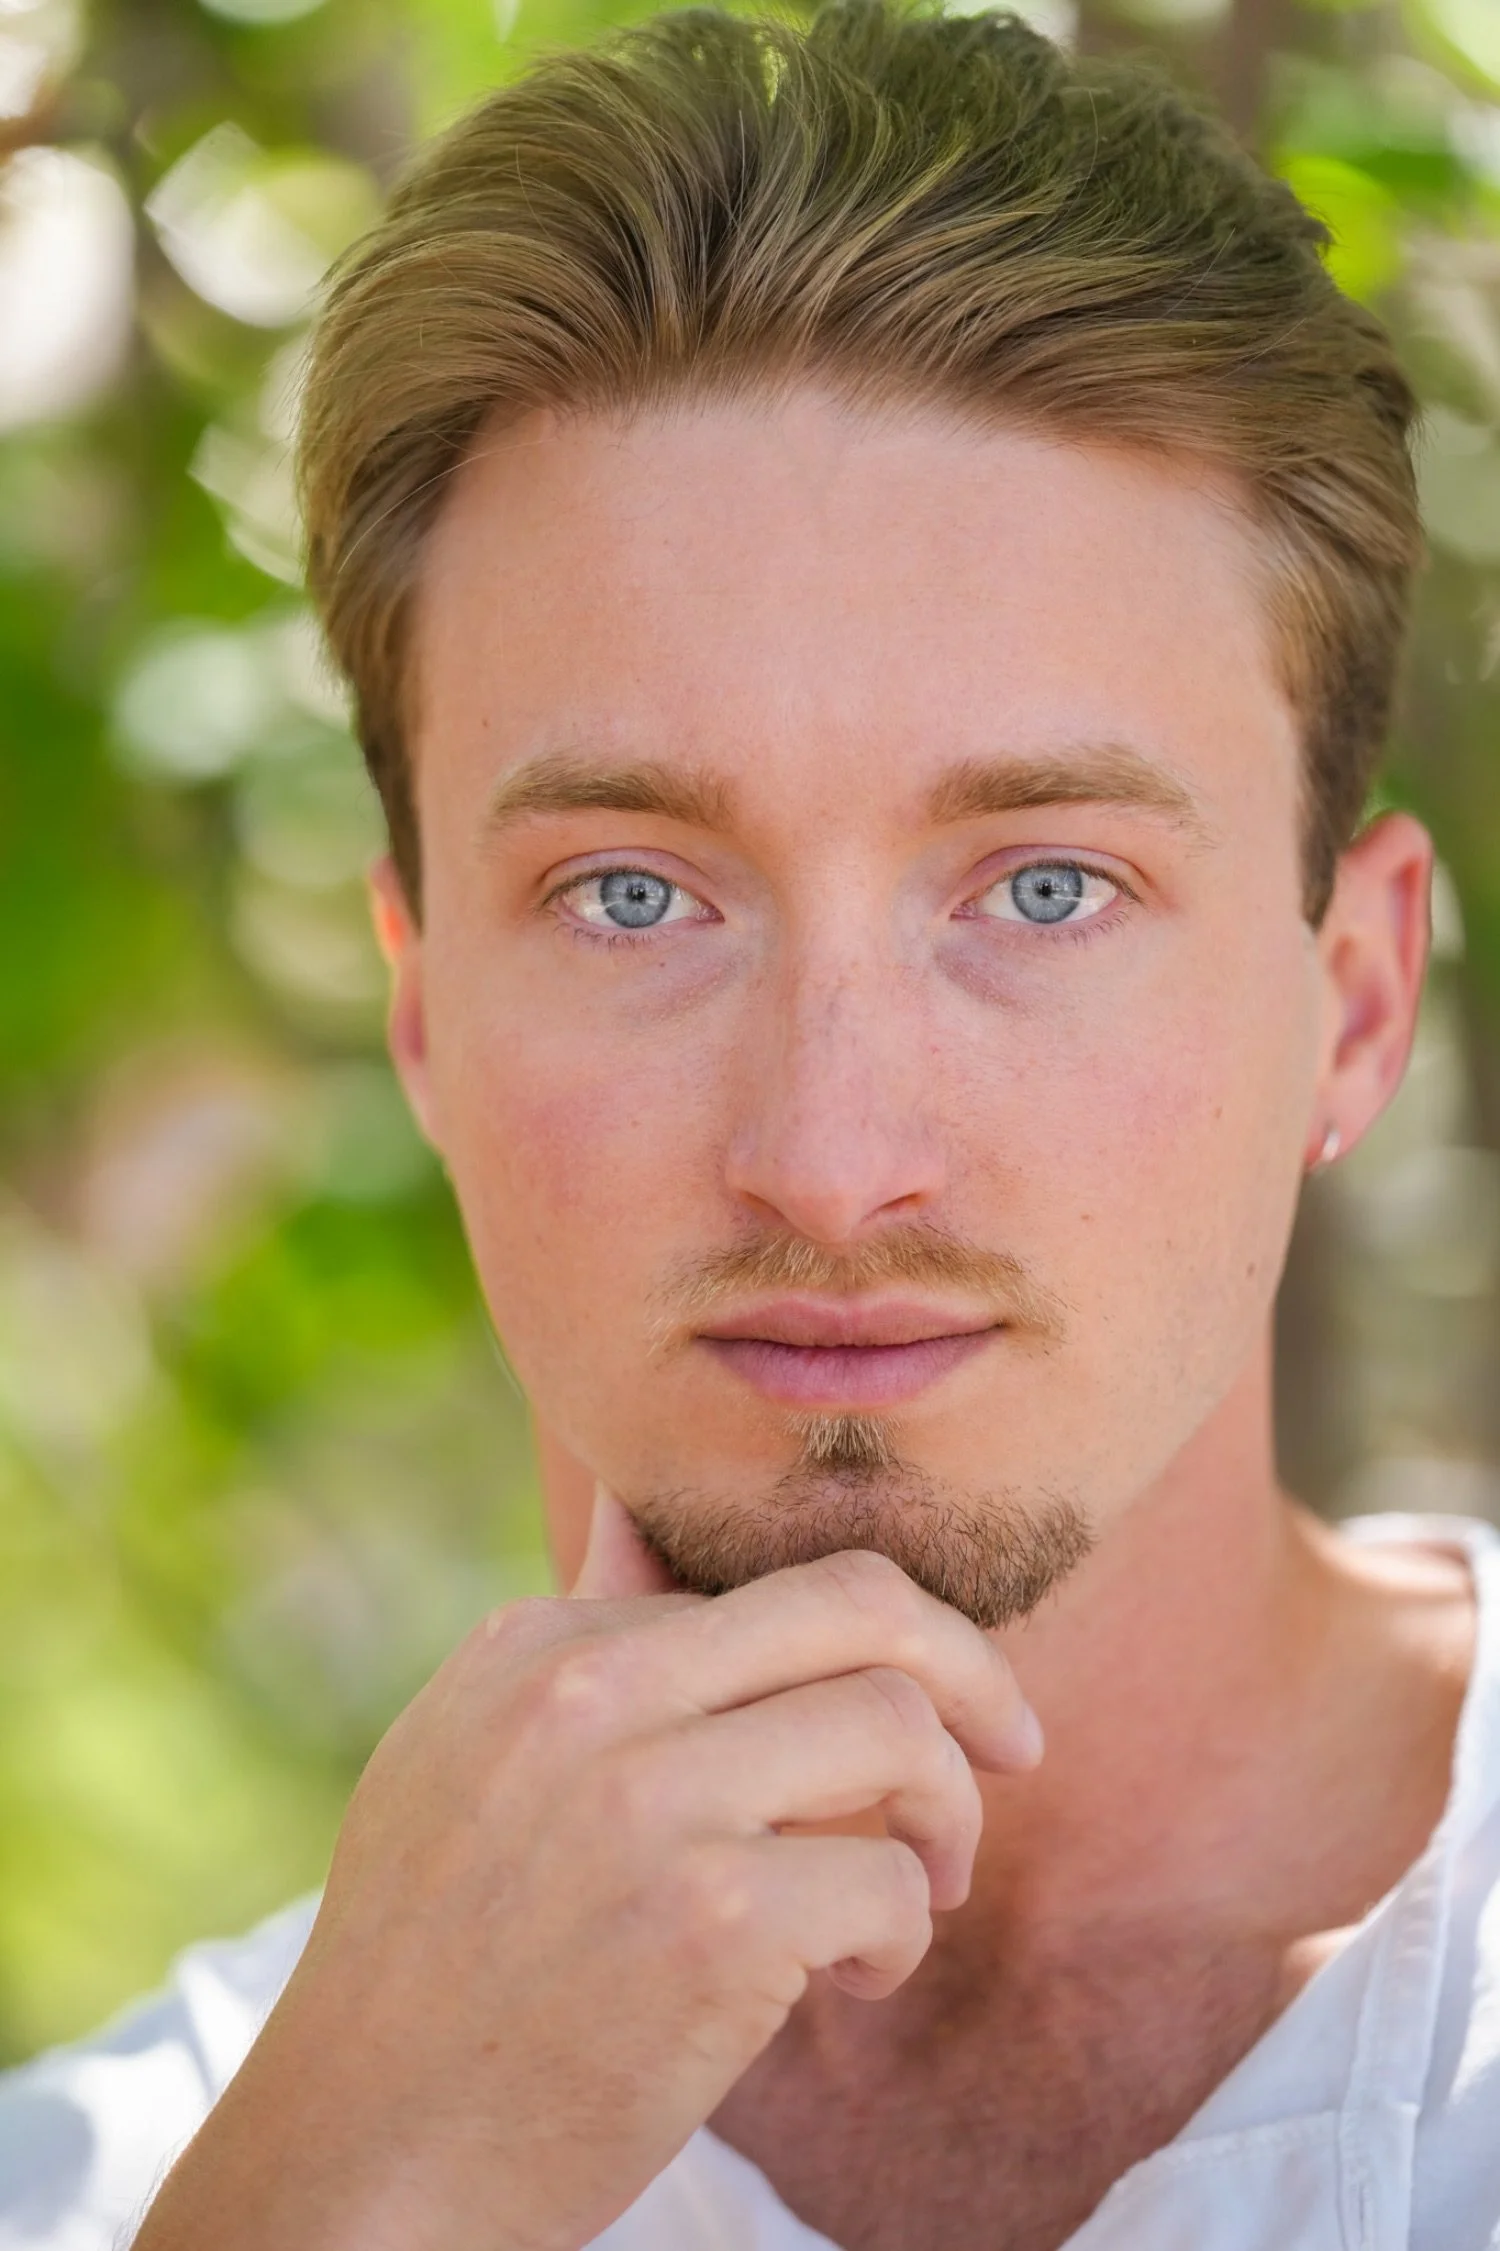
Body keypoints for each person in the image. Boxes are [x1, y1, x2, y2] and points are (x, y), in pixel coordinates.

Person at [4, 4, 1498, 2246]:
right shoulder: (139, 2180)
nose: (830, 1154)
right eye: (632, 895)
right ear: (424, 1020)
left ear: (1355, 1003)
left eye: (1047, 886)